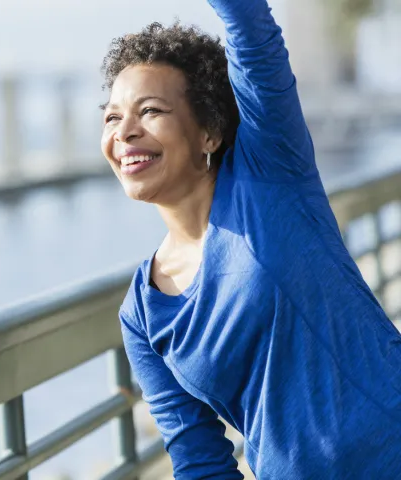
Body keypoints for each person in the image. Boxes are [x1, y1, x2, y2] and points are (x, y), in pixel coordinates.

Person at [100, 0, 401, 478]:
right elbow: (200, 463)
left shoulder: (271, 172)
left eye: (150, 111)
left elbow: (251, 28)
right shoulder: (141, 314)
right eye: (112, 118)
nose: (125, 132)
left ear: (210, 133)